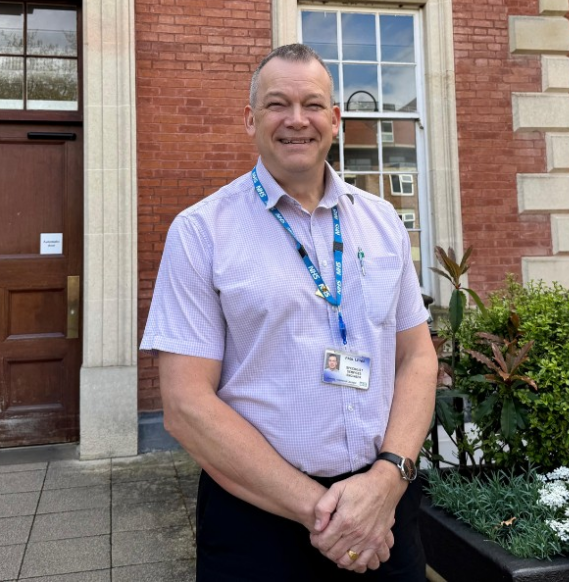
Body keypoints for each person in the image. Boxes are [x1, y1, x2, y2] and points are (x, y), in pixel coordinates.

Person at [140, 43, 437, 581]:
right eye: (278, 104)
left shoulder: (383, 221)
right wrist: (327, 514)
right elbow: (185, 405)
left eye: (313, 105)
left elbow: (417, 357)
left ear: (336, 120)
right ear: (251, 119)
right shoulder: (201, 232)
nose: (296, 120)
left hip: (385, 509)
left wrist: (387, 483)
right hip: (259, 524)